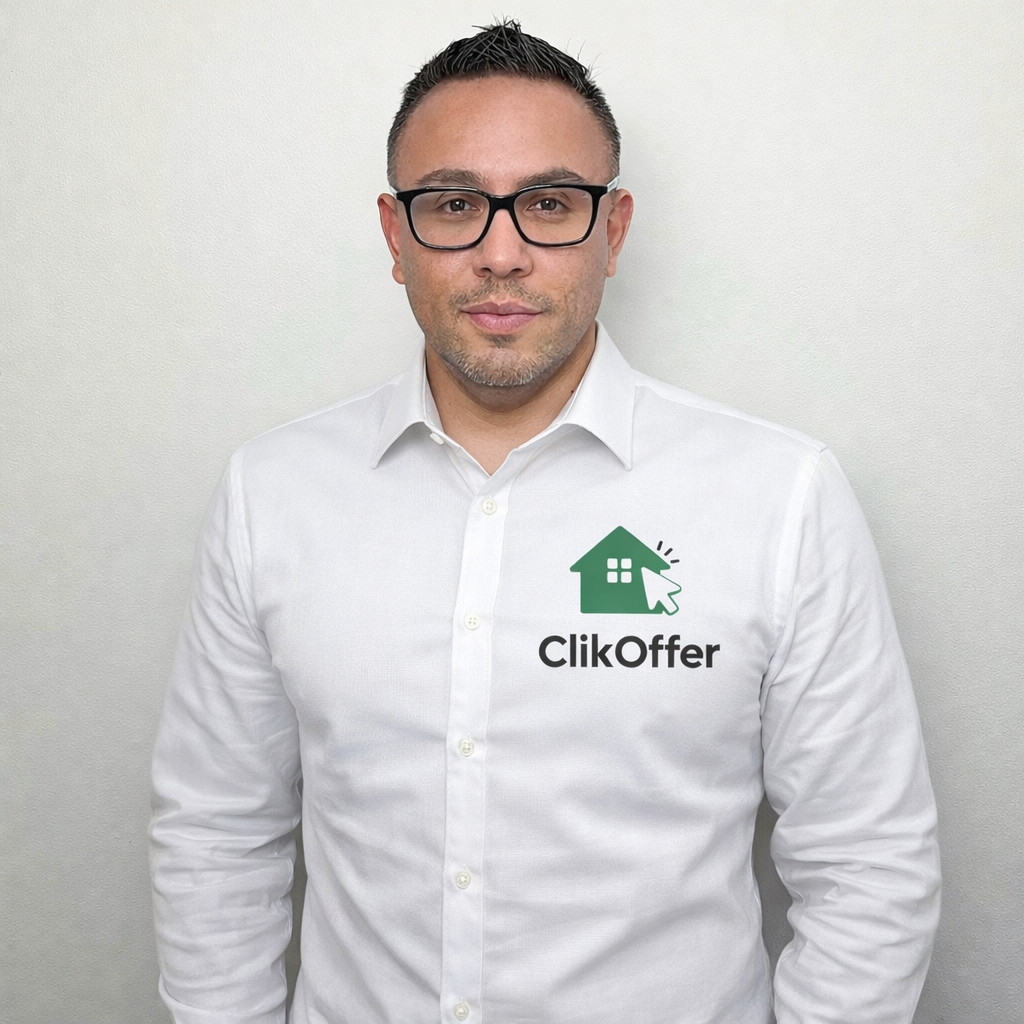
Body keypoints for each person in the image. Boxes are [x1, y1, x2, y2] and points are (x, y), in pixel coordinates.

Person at [150, 20, 940, 1024]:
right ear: (395, 236)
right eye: (453, 205)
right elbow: (217, 834)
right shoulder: (272, 492)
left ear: (612, 231)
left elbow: (868, 862)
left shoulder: (779, 496)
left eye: (550, 205)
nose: (501, 254)